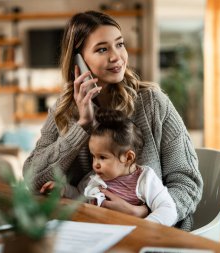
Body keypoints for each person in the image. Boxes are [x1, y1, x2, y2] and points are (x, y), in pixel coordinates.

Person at [23, 10, 203, 231]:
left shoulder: (153, 102)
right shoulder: (63, 110)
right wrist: (83, 126)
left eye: (119, 44)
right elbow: (34, 180)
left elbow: (187, 183)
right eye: (102, 49)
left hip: (154, 233)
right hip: (87, 230)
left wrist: (144, 213)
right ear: (78, 61)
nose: (116, 56)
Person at [40, 108, 178, 226]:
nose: (95, 164)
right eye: (94, 156)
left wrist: (145, 226)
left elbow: (168, 209)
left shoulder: (145, 179)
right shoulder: (95, 178)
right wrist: (63, 190)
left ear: (128, 157)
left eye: (102, 157)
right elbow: (80, 196)